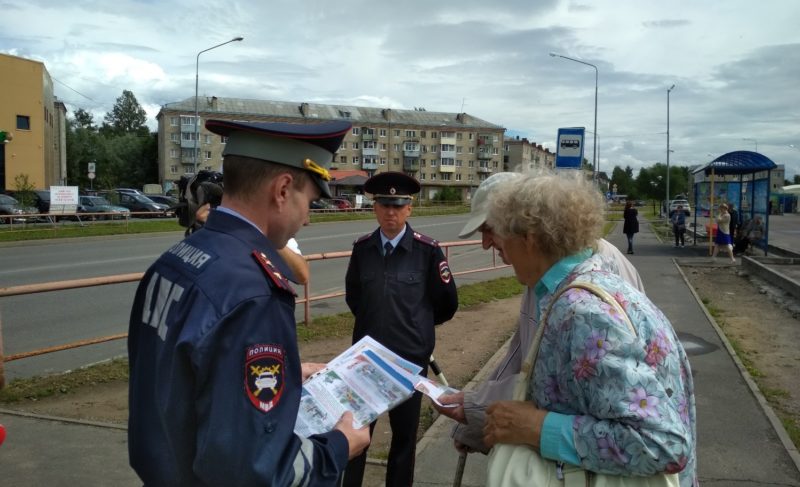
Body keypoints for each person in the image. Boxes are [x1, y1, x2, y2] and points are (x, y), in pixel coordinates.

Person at [127, 119, 370, 486]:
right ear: (283, 190)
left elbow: (187, 377)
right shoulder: (254, 293)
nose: (308, 217)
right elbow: (256, 469)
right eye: (310, 200)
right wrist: (338, 447)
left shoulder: (176, 259)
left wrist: (284, 373)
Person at [480, 171, 697, 486]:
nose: (499, 248)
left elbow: (663, 444)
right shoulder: (585, 288)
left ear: (528, 239)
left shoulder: (583, 312)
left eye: (501, 236)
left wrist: (538, 427)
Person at [436, 171, 646, 455]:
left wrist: (531, 426)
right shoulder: (548, 279)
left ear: (528, 234)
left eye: (490, 228)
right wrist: (477, 418)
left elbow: (649, 440)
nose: (486, 243)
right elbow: (524, 356)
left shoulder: (588, 306)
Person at [342, 171, 458, 487]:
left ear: (409, 208)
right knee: (356, 435)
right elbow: (355, 297)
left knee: (404, 440)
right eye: (384, 205)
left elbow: (447, 302)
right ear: (375, 207)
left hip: (408, 362)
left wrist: (415, 329)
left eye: (398, 205)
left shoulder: (427, 251)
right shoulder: (363, 249)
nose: (391, 212)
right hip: (366, 362)